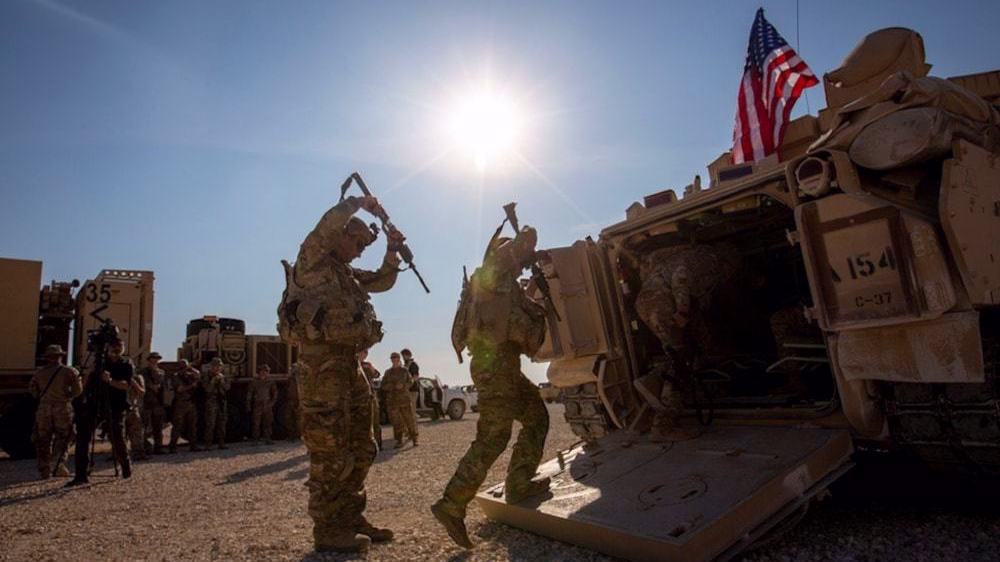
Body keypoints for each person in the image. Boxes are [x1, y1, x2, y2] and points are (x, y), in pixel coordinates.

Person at [277, 192, 404, 553]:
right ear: (342, 235)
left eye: (367, 244)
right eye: (359, 241)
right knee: (329, 448)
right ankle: (328, 528)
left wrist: (391, 250)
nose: (362, 249)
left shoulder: (344, 274)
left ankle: (350, 516)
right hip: (321, 367)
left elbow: (382, 281)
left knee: (362, 445)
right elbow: (323, 228)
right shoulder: (312, 261)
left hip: (350, 364)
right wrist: (357, 204)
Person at [432, 211, 550, 548]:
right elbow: (524, 239)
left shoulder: (501, 287)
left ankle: (518, 483)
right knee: (494, 436)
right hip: (494, 367)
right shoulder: (491, 275)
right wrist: (527, 241)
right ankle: (451, 504)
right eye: (517, 258)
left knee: (537, 416)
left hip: (502, 366)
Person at [67, 338, 135, 486]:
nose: (116, 351)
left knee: (117, 436)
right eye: (113, 347)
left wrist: (110, 381)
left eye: (119, 348)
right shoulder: (100, 364)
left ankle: (125, 467)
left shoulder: (126, 364)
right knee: (83, 435)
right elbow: (85, 385)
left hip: (115, 405)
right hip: (95, 404)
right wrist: (89, 374)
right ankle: (80, 475)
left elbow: (126, 385)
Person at [28, 345, 82, 479]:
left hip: (43, 409)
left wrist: (43, 397)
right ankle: (58, 465)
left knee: (43, 439)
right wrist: (67, 395)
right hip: (62, 407)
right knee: (64, 437)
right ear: (60, 356)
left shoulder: (39, 373)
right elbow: (78, 390)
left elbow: (32, 390)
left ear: (47, 357)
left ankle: (44, 469)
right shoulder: (69, 371)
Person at [381, 352, 417, 448]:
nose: (394, 360)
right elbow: (383, 386)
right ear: (391, 360)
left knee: (409, 420)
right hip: (393, 401)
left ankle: (414, 439)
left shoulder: (404, 371)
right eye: (392, 358)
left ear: (399, 359)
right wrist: (392, 386)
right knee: (396, 422)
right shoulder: (388, 372)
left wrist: (404, 386)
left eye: (396, 358)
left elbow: (411, 381)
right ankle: (399, 440)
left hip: (404, 399)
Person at [168, 359, 201, 453]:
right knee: (178, 426)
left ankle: (193, 445)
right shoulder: (176, 376)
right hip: (180, 403)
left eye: (186, 366)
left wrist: (191, 368)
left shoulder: (189, 375)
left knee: (192, 426)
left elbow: (198, 375)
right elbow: (180, 389)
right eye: (183, 366)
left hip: (190, 402)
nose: (185, 368)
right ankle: (173, 447)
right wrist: (191, 386)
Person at [139, 352, 167, 455]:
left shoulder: (161, 372)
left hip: (157, 402)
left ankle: (158, 448)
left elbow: (162, 387)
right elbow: (144, 383)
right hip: (147, 402)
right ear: (149, 359)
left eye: (156, 358)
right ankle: (146, 448)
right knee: (145, 427)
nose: (155, 360)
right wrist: (152, 386)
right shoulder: (143, 372)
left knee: (158, 427)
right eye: (153, 358)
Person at [201, 357, 231, 450]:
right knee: (210, 424)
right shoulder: (207, 376)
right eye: (215, 366)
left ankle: (221, 443)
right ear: (211, 367)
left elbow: (227, 388)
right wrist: (213, 381)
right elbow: (207, 389)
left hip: (221, 402)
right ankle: (208, 444)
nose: (217, 368)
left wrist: (222, 382)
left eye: (219, 366)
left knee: (222, 424)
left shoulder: (224, 376)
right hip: (211, 402)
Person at [246, 364, 278, 444]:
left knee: (268, 422)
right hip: (257, 404)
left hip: (267, 404)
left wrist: (272, 403)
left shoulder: (270, 382)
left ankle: (268, 438)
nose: (264, 373)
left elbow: (275, 393)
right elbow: (249, 393)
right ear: (259, 372)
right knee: (256, 422)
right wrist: (248, 404)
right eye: (262, 371)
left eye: (266, 371)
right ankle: (255, 439)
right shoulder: (254, 382)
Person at [358, 349, 382, 451]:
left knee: (375, 421)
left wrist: (371, 368)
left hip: (370, 396)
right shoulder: (352, 364)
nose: (363, 354)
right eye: (362, 352)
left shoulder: (367, 365)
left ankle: (378, 444)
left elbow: (377, 375)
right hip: (358, 397)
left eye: (365, 353)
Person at [124, 364, 147, 461]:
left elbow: (142, 392)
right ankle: (119, 454)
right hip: (118, 409)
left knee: (137, 433)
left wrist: (133, 382)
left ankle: (138, 453)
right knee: (119, 433)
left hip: (133, 408)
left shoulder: (137, 378)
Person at [401, 348, 420, 419]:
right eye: (402, 356)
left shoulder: (413, 365)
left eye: (404, 355)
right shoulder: (405, 365)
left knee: (412, 410)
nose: (403, 357)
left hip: (413, 390)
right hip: (406, 390)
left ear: (408, 355)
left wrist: (408, 385)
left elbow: (415, 377)